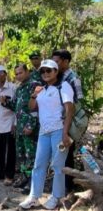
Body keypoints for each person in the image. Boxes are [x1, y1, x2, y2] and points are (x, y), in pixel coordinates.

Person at [20, 59, 74, 210]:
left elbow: (70, 110)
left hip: (58, 130)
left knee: (57, 165)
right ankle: (34, 197)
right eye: (42, 71)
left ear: (56, 71)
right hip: (44, 132)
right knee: (39, 165)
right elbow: (32, 108)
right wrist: (34, 95)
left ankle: (56, 197)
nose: (45, 73)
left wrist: (65, 133)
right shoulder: (42, 89)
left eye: (48, 70)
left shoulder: (63, 86)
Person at [2, 64, 40, 193]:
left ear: (27, 71)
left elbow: (36, 107)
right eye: (16, 74)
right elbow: (16, 107)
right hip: (20, 128)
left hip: (30, 128)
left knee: (31, 155)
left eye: (20, 73)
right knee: (22, 155)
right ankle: (24, 178)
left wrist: (30, 125)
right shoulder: (19, 89)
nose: (18, 76)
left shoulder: (35, 85)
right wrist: (5, 102)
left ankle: (32, 183)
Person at [52, 49, 84, 192]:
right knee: (61, 153)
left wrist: (68, 117)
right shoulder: (56, 77)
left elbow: (78, 101)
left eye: (57, 61)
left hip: (68, 121)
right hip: (57, 120)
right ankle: (63, 184)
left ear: (65, 61)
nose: (55, 64)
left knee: (68, 152)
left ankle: (69, 186)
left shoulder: (73, 77)